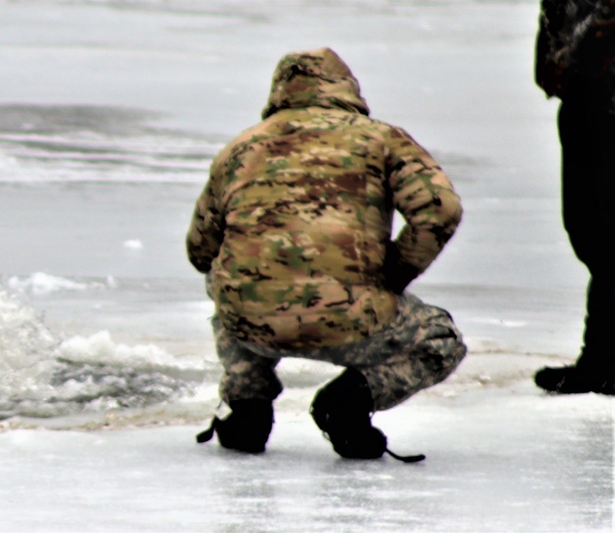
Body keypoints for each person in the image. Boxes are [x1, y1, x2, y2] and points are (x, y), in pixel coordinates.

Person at [187, 47, 466, 461]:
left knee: (226, 278)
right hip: (351, 319)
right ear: (346, 87)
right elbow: (439, 209)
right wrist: (394, 273)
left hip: (252, 323)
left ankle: (247, 404)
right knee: (442, 339)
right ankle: (350, 402)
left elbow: (201, 250)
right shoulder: (382, 139)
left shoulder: (240, 148)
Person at [533, 0, 615, 396]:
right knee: (594, 224)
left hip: (607, 80)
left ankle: (605, 359)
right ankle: (604, 356)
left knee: (603, 222)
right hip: (590, 78)